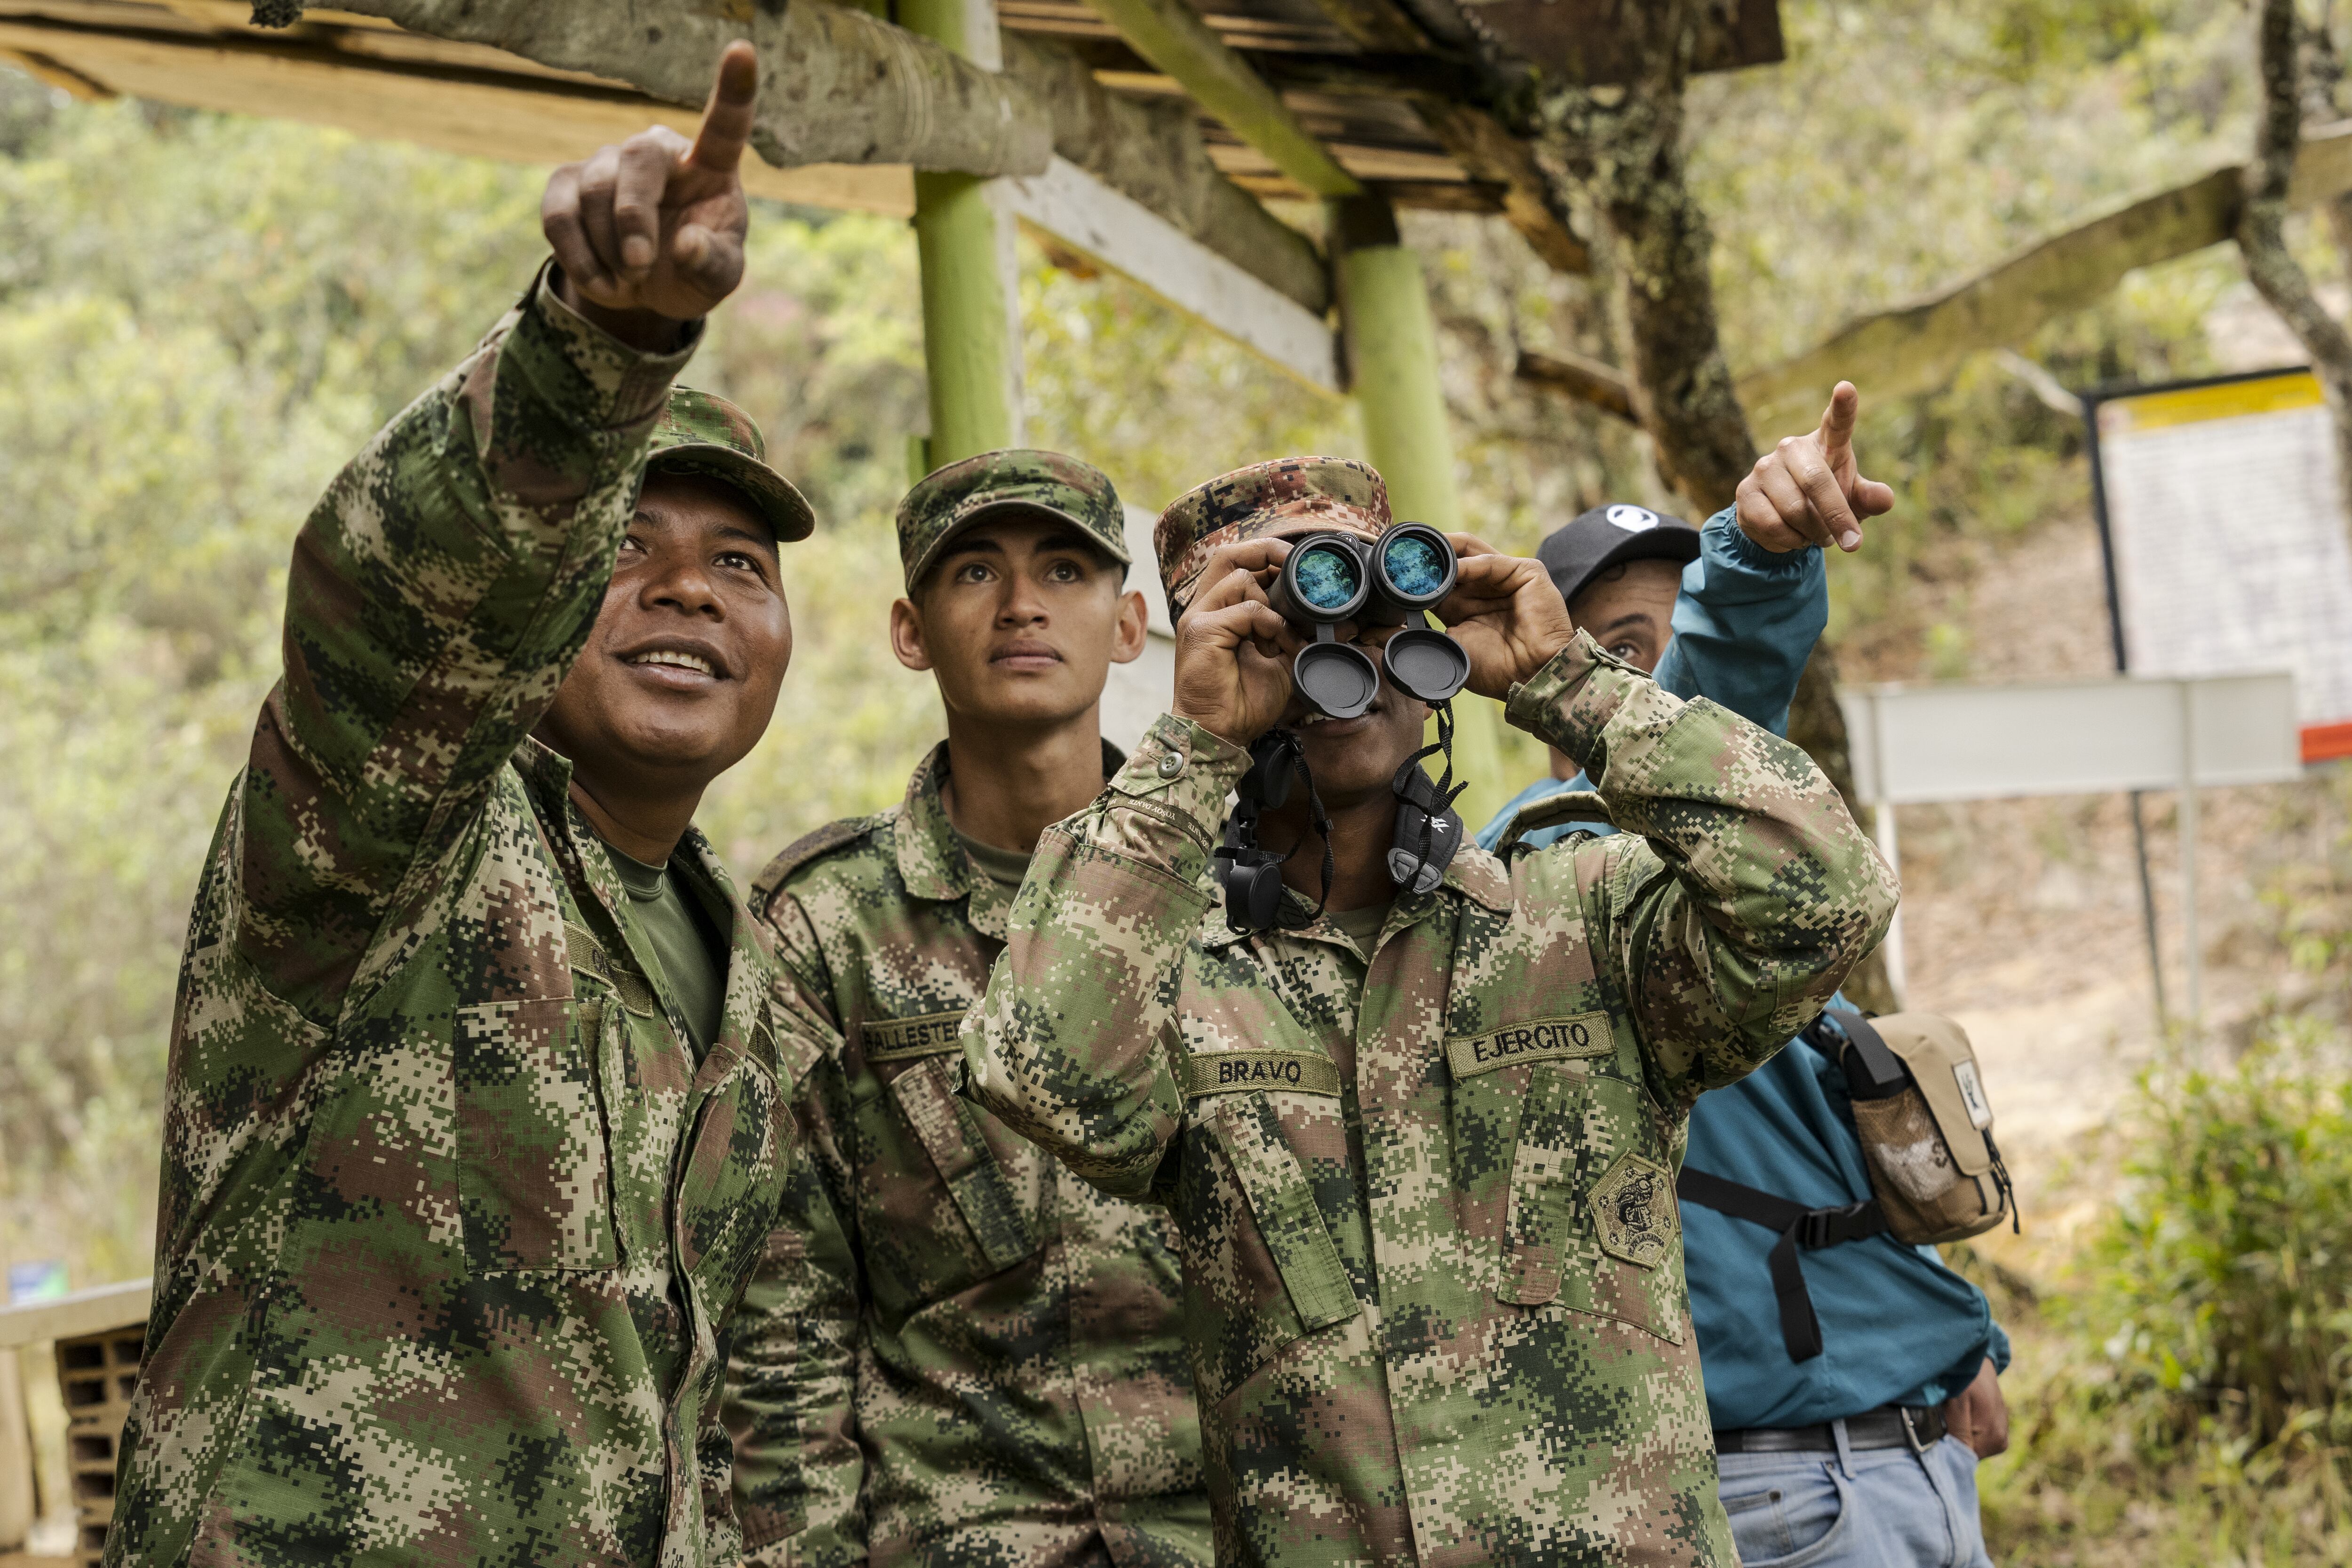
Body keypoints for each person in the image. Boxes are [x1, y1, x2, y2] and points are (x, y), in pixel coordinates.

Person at [956, 405, 1902, 1566]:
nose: (1340, 662)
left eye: (1372, 613)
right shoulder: (1173, 979)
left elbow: (1826, 898)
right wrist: (1192, 745)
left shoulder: (1581, 915)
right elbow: (1043, 1075)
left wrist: (1569, 681)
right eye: (1278, 624)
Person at [107, 45, 826, 1567]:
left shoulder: (749, 961)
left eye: (740, 564)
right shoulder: (395, 826)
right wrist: (602, 351)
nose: (689, 586)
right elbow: (406, 601)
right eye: (627, 543)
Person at [1480, 391, 2011, 1568]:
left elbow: (1817, 1169)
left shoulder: (1751, 909)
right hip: (1785, 1492)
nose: (1653, 682)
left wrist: (1955, 1336)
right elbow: (1696, 708)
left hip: (1899, 1456)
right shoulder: (1550, 873)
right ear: (1544, 681)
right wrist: (1757, 566)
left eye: (1679, 630)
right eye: (1620, 652)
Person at [724, 453, 1213, 1567]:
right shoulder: (826, 924)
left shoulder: (1232, 894)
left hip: (1224, 1533)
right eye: (976, 571)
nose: (1023, 604)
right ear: (911, 632)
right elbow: (783, 1320)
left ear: (1129, 625)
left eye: (1066, 570)